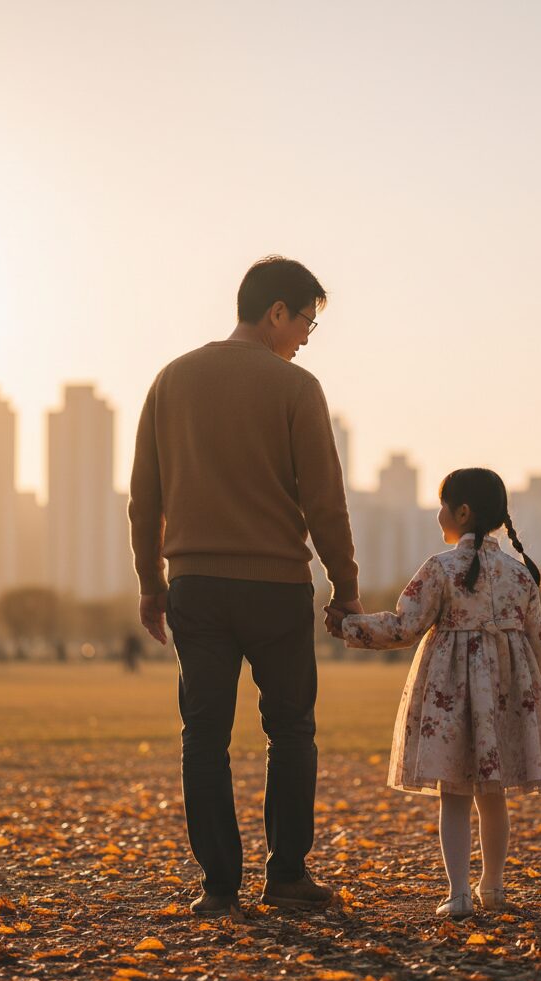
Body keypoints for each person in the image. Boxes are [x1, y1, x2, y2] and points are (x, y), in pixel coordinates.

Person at [129, 256, 362, 917]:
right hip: (276, 587)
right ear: (276, 312)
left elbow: (144, 498)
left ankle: (219, 888)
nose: (306, 338)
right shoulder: (296, 388)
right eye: (306, 323)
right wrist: (344, 587)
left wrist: (151, 583)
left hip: (196, 586)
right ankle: (287, 875)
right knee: (291, 731)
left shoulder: (170, 380)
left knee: (203, 735)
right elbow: (324, 501)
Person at [325, 468, 541, 918]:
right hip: (505, 698)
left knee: (453, 796)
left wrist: (349, 626)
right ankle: (493, 887)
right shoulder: (521, 575)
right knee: (494, 797)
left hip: (450, 697)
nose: (438, 516)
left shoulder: (440, 568)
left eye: (442, 505)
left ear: (463, 512)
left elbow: (403, 627)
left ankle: (457, 894)